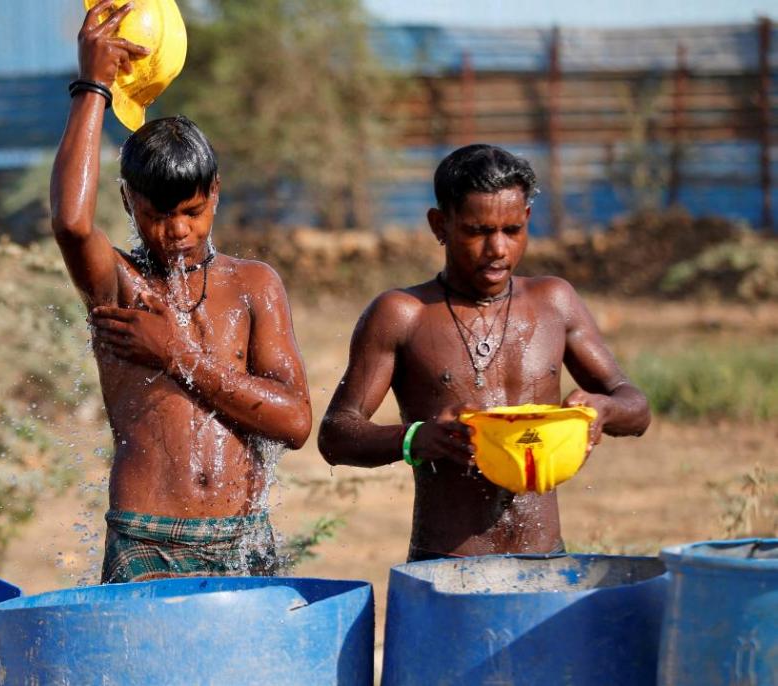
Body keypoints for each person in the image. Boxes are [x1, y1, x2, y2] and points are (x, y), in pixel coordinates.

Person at [53, 0, 312, 583]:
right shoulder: (120, 285)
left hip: (241, 534)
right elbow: (70, 223)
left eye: (192, 213)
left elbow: (295, 422)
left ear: (215, 193)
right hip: (147, 536)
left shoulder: (253, 286)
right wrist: (92, 86)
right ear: (127, 204)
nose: (176, 232)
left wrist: (179, 354)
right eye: (157, 215)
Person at [318, 144, 650, 562]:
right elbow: (336, 434)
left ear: (527, 220)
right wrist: (417, 438)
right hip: (446, 563)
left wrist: (603, 409)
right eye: (477, 232)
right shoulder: (403, 314)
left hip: (545, 560)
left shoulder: (555, 302)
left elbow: (635, 406)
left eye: (512, 231)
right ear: (440, 225)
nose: (497, 249)